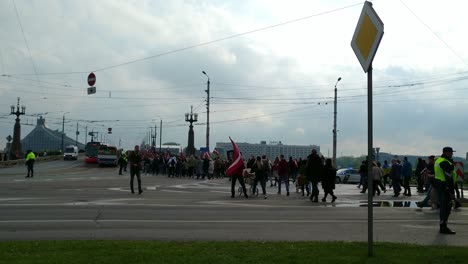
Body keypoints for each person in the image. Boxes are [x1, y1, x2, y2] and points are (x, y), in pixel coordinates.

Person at [434, 147, 457, 234]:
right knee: (446, 208)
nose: (452, 154)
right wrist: (451, 192)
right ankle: (443, 227)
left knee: (444, 207)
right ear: (446, 153)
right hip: (445, 187)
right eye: (451, 152)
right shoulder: (445, 162)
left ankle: (443, 226)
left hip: (441, 187)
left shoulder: (438, 160)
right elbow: (449, 178)